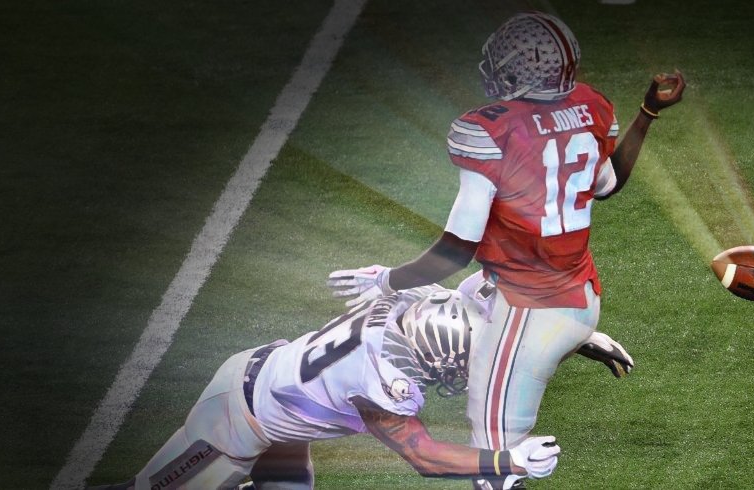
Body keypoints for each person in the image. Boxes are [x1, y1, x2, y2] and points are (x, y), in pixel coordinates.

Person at [327, 11, 684, 489]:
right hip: (571, 293)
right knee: (467, 303)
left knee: (495, 463)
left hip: (528, 307)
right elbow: (609, 182)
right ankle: (581, 337)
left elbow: (456, 251)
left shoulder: (490, 130)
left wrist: (386, 280)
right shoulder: (591, 105)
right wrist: (648, 112)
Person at [90, 287, 562, 490]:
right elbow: (425, 457)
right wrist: (511, 460)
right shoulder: (382, 382)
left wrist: (579, 339)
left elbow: (481, 301)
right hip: (238, 417)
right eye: (460, 362)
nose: (464, 371)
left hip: (283, 407)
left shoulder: (415, 304)